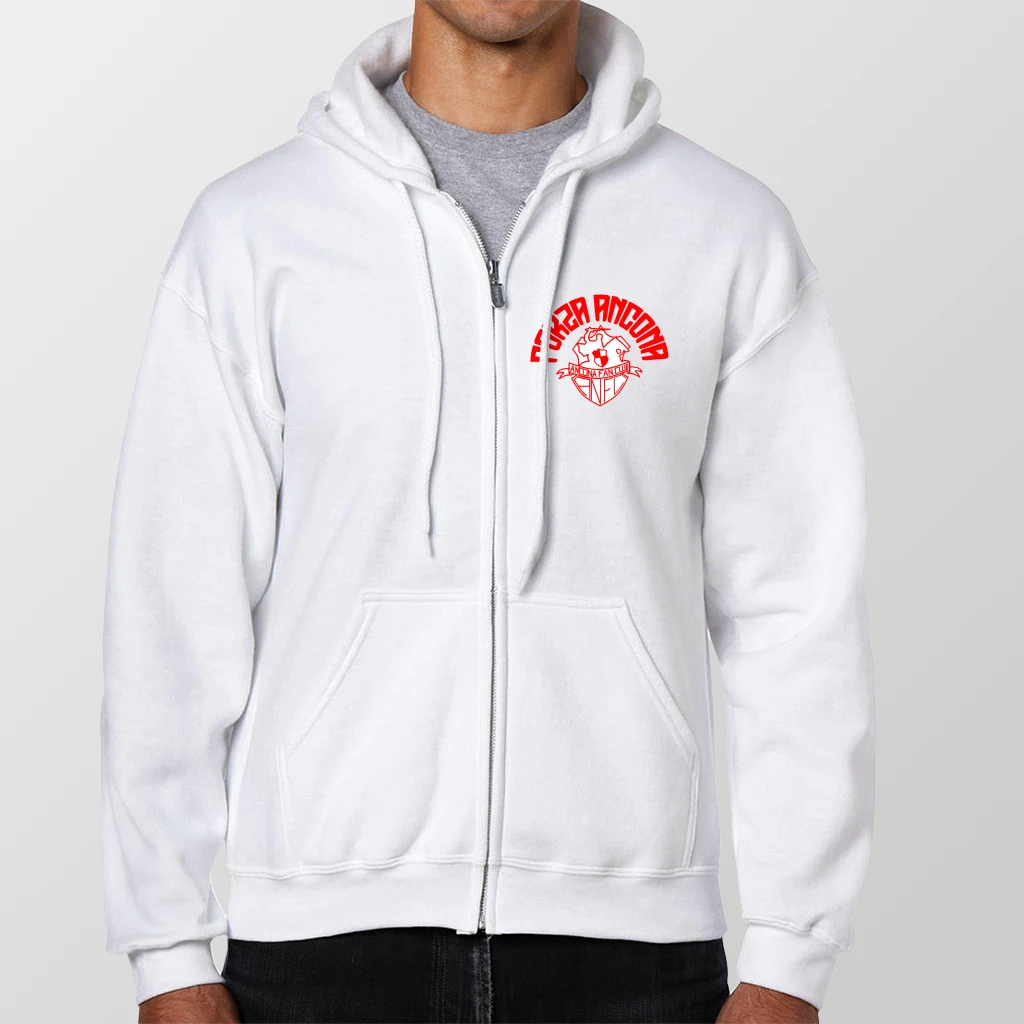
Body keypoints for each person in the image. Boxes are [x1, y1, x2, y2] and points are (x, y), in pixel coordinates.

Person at [101, 2, 874, 1021]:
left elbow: (796, 610)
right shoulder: (253, 232)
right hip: (317, 947)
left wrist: (789, 957)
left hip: (634, 952)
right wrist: (166, 947)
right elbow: (174, 598)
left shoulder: (726, 233)